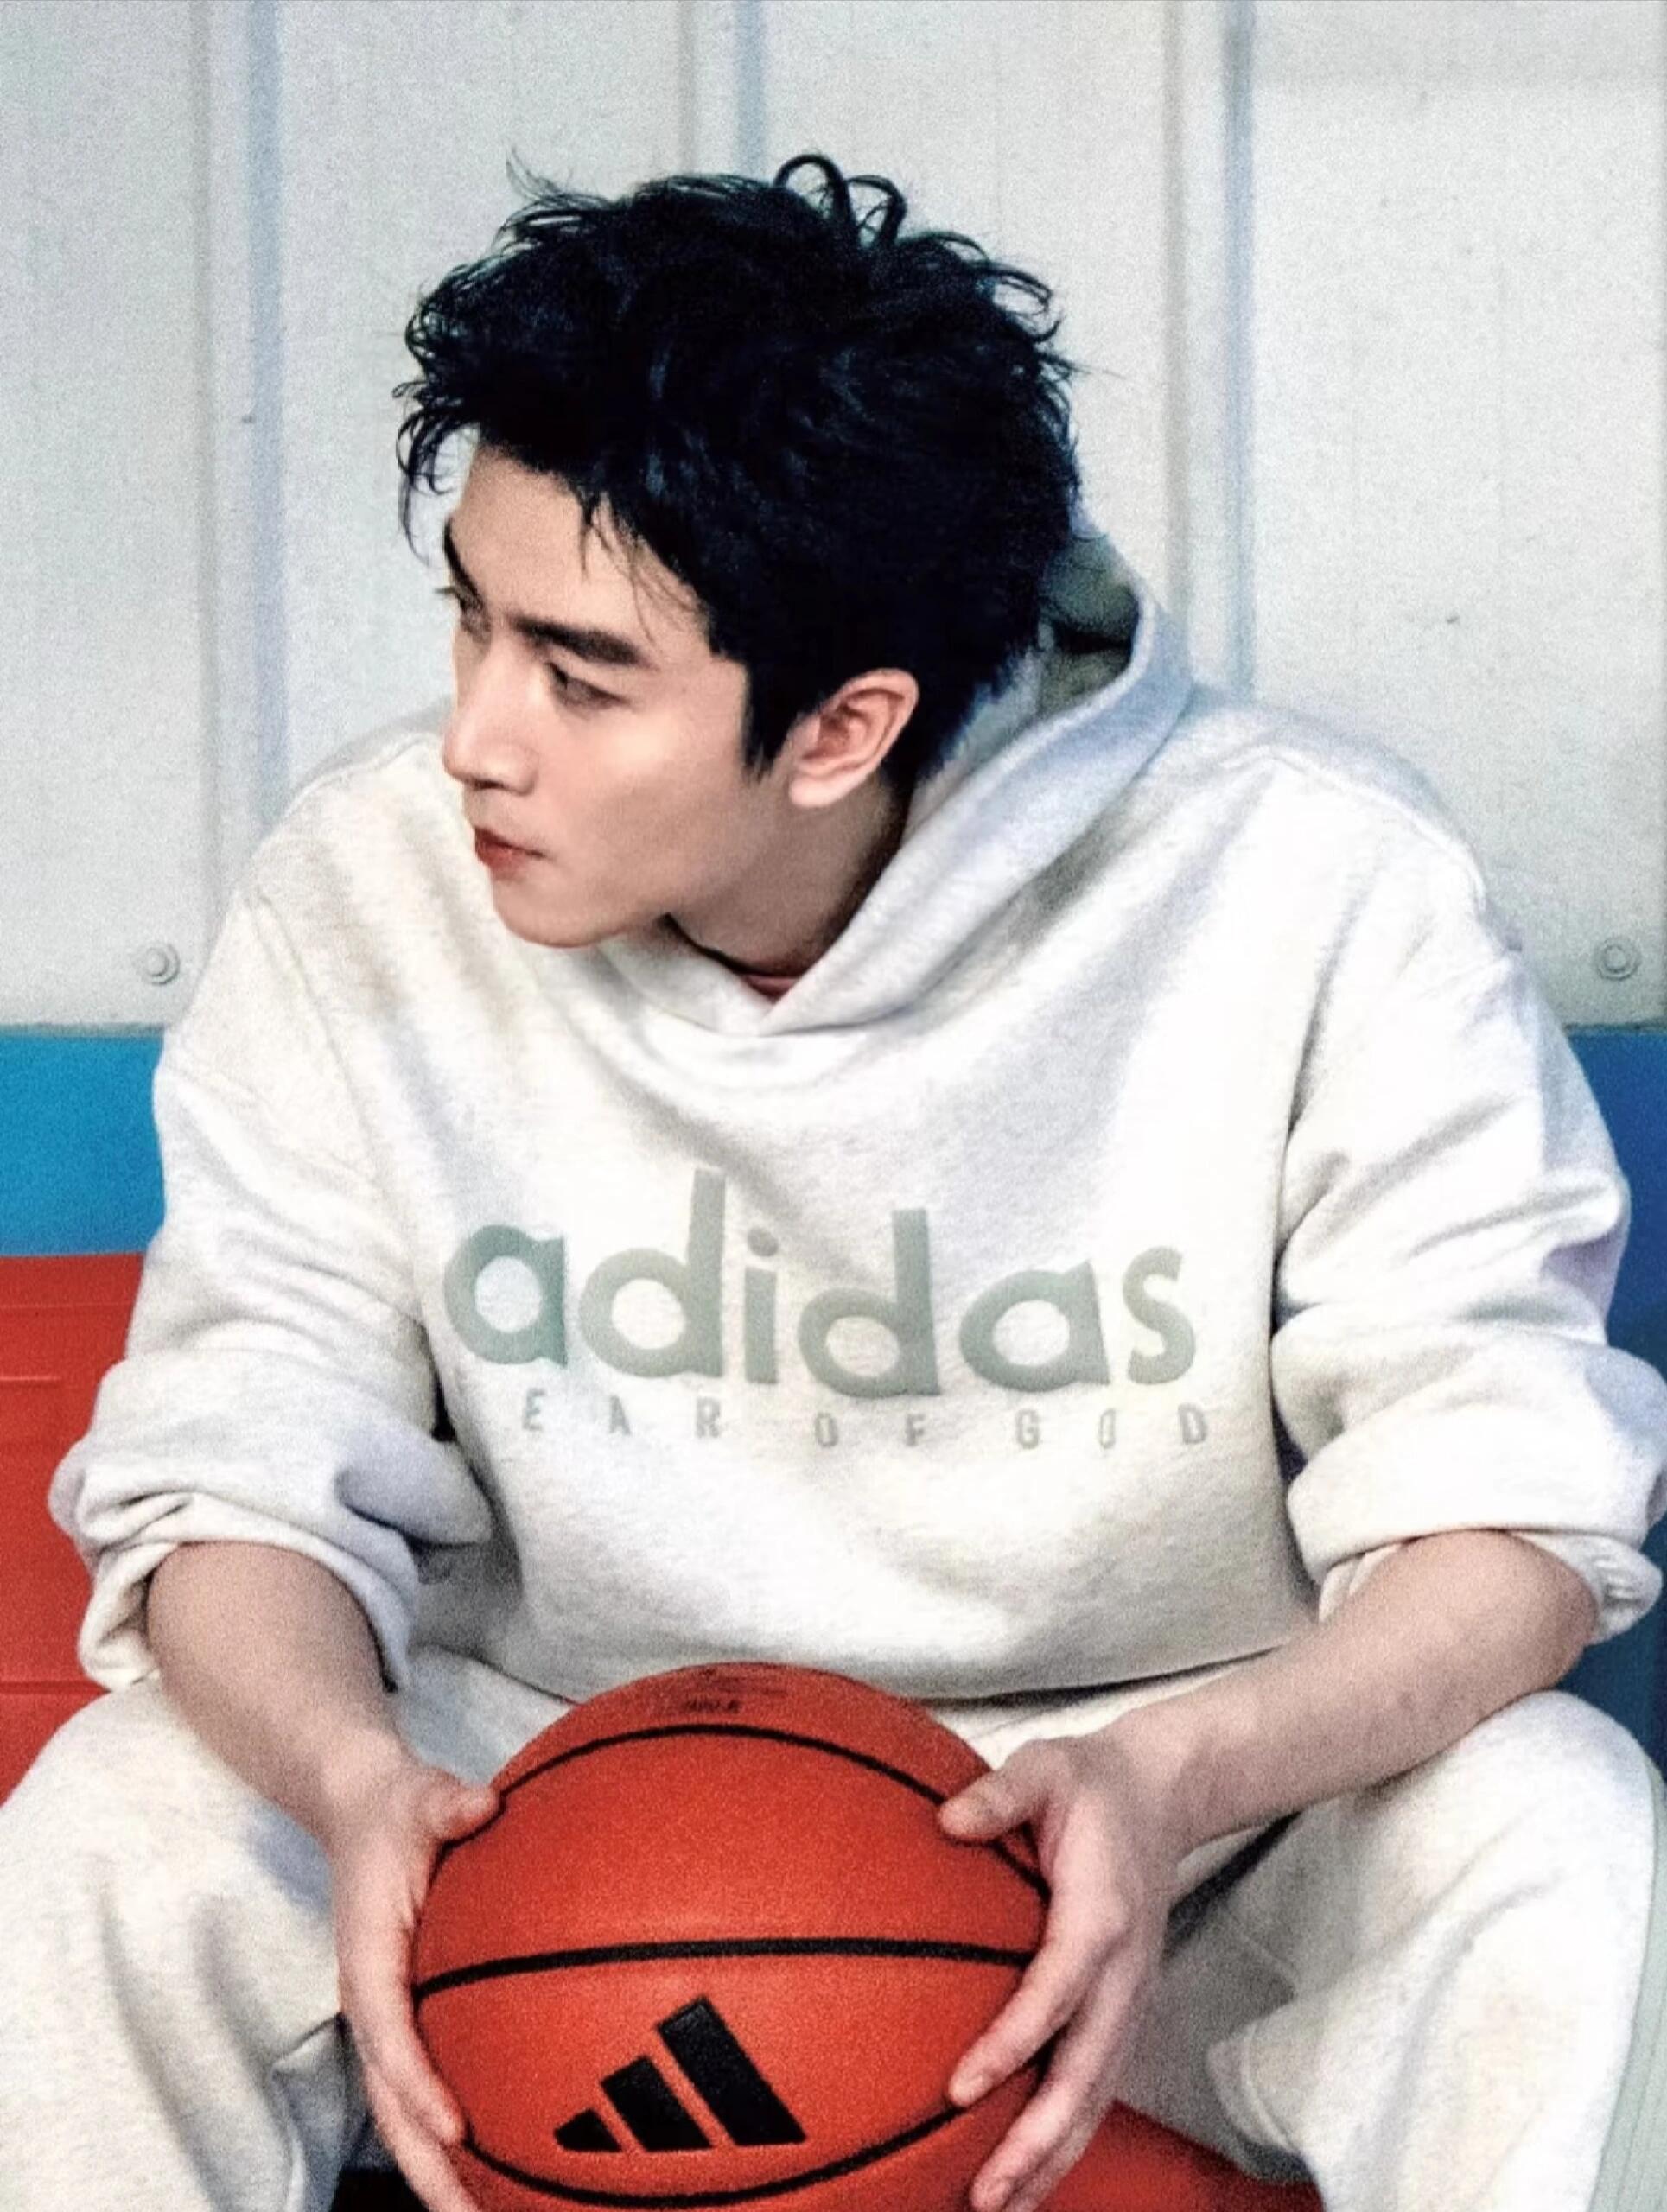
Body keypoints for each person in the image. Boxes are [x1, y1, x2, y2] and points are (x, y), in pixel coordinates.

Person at [2, 150, 1664, 2212]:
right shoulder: (359, 884)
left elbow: (1507, 1516)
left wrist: (1171, 1773)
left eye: (577, 674)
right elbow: (235, 1471)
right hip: (552, 1811)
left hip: (1161, 1822)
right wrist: (352, 1779)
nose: (472, 741)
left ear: (839, 727)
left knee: (1555, 1831)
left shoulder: (1318, 881)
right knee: (115, 1837)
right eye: (469, 621)